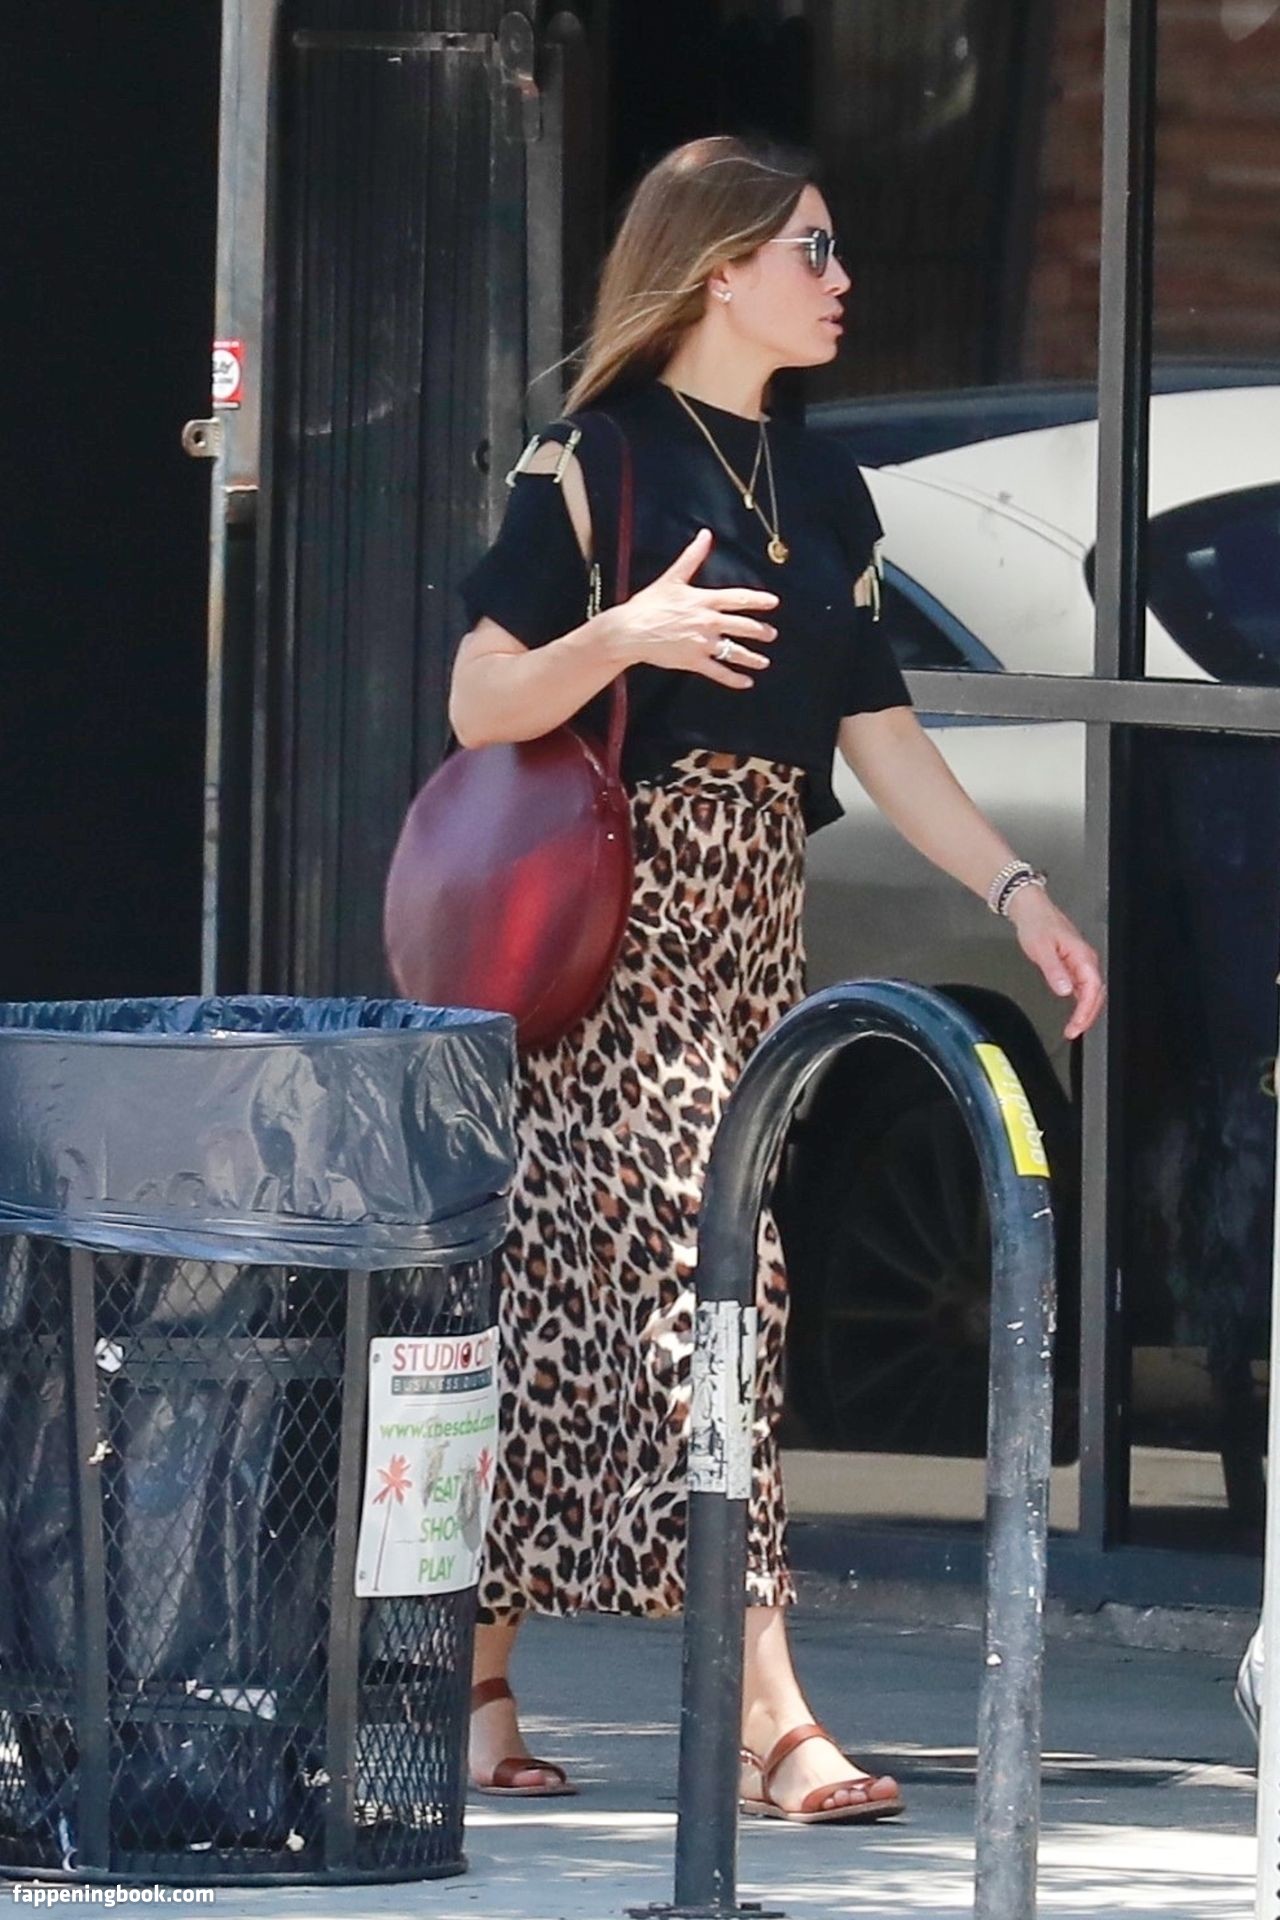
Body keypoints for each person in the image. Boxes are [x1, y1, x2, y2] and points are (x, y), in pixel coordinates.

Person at [449, 134, 1106, 1825]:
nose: (840, 279)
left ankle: (471, 1681)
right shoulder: (593, 461)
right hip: (611, 937)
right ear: (719, 266)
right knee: (713, 1298)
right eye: (811, 249)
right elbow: (478, 698)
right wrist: (625, 636)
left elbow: (879, 732)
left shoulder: (823, 494)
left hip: (752, 930)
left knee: (580, 1314)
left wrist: (1019, 891)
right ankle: (768, 1715)